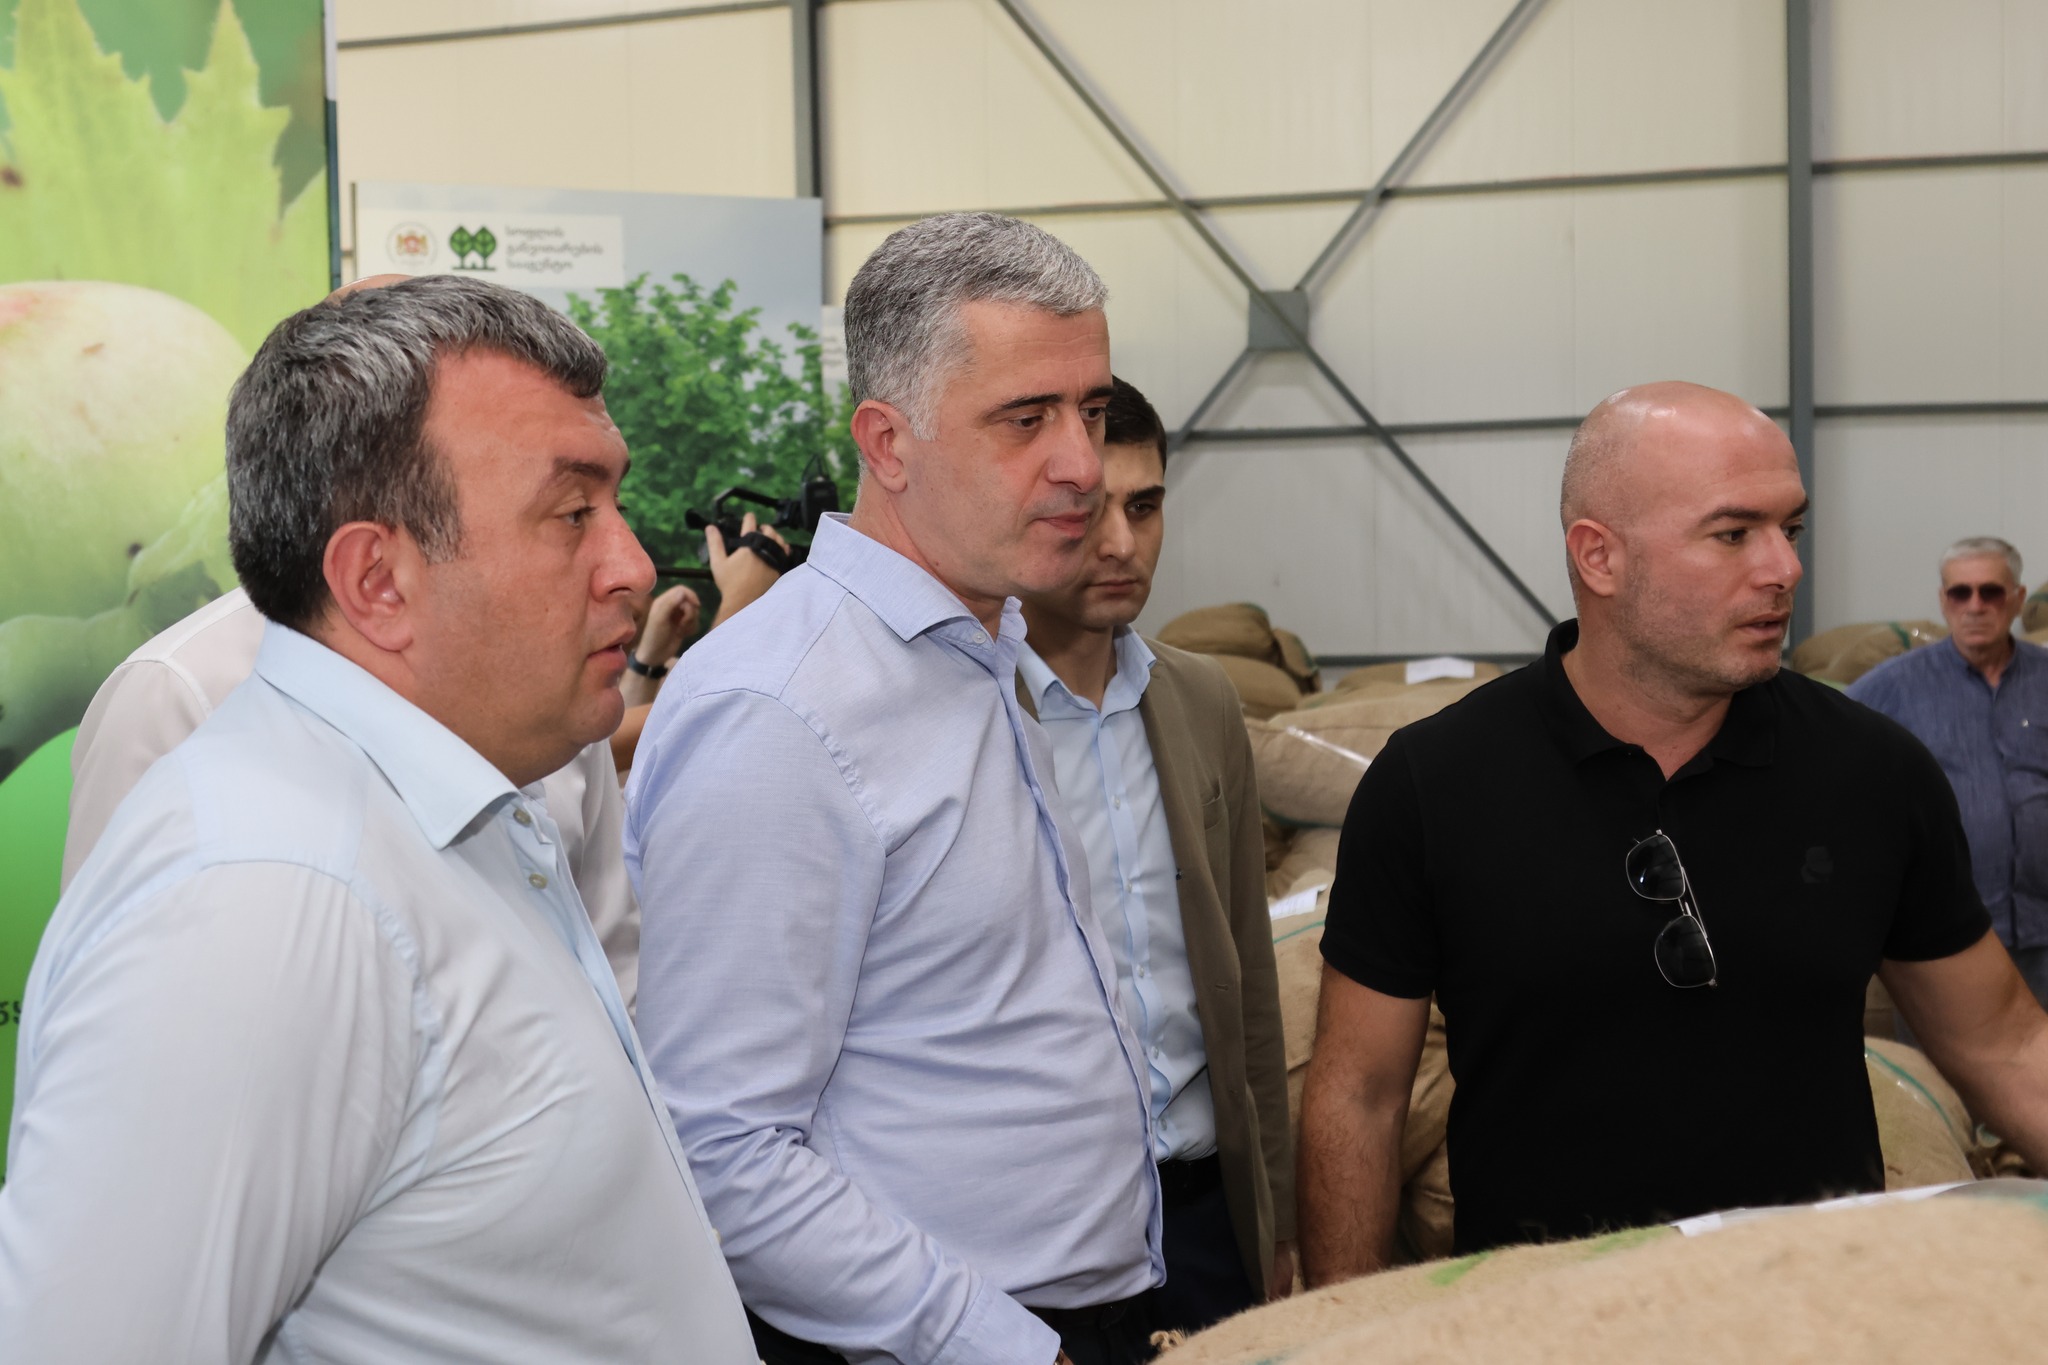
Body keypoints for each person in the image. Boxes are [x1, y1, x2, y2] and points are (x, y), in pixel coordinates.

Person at [0, 275, 756, 1361]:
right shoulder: (264, 902)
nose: (633, 565)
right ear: (377, 580)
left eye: (614, 503)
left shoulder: (450, 804)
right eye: (571, 513)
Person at [1297, 381, 2048, 1281]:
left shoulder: (1874, 774)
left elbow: (2004, 1042)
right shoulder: (1434, 785)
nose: (1785, 567)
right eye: (1734, 534)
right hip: (1534, 1318)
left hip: (1806, 1311)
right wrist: (1336, 1326)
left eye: (1790, 528)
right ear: (1600, 557)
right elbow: (1360, 1096)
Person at [626, 212, 1161, 1365]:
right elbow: (721, 1150)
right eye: (1026, 419)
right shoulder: (784, 711)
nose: (1082, 464)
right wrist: (1006, 1348)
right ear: (887, 442)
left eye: (1091, 411)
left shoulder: (975, 649)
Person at [1015, 376, 1293, 1331]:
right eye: (1090, 510)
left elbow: (1247, 977)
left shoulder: (1203, 700)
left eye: (1144, 506)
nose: (1122, 544)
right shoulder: (974, 713)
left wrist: (1275, 1216)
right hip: (1045, 1232)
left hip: (1205, 1211)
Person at [1848, 537, 2048, 1006]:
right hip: (1945, 934)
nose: (1974, 606)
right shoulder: (1893, 685)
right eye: (1960, 593)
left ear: (2017, 599)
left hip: (2043, 927)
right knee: (1948, 1050)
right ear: (1943, 600)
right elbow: (1829, 754)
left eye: (1990, 591)